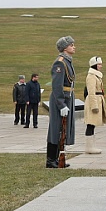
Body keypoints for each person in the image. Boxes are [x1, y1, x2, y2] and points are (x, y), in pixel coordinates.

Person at [46, 36, 76, 169]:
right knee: (55, 129)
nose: (74, 47)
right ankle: (51, 160)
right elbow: (57, 85)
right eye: (71, 45)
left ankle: (58, 158)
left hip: (67, 97)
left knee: (62, 130)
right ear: (65, 48)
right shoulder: (60, 62)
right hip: (61, 99)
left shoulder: (67, 61)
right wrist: (61, 104)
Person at [84, 56, 106, 154]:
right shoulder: (91, 76)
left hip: (98, 99)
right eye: (99, 64)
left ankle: (91, 146)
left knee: (92, 125)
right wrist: (94, 106)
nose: (101, 66)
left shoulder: (96, 76)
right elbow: (91, 92)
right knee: (91, 124)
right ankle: (89, 147)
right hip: (94, 100)